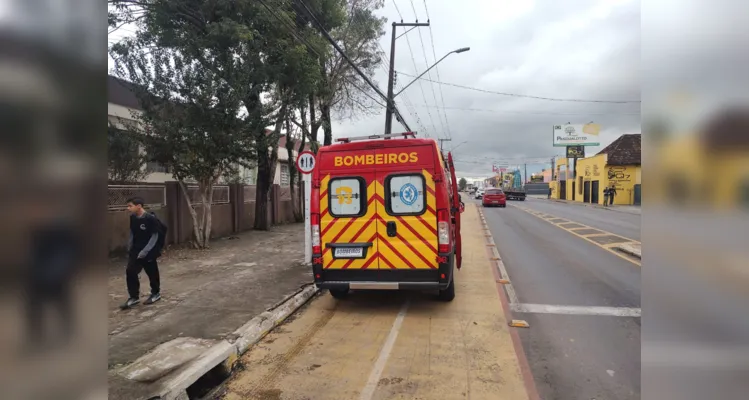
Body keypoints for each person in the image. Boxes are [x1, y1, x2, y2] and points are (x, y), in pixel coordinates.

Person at [121, 197, 161, 309]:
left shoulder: (150, 218)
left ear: (139, 206)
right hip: (136, 249)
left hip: (149, 250)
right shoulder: (133, 217)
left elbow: (155, 236)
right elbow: (132, 232)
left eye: (130, 205)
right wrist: (130, 246)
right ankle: (134, 297)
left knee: (152, 273)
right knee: (130, 271)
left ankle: (156, 293)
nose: (128, 208)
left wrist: (145, 251)